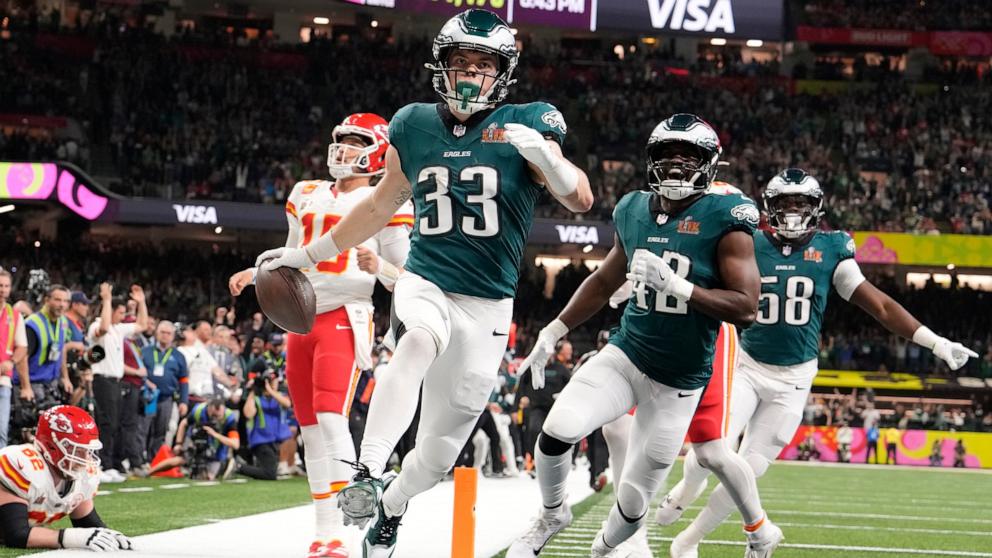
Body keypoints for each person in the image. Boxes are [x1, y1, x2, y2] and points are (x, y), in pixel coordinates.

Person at [256, 9, 593, 556]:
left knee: (435, 458)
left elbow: (580, 197)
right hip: (427, 277)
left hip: (488, 305)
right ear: (441, 63)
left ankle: (390, 506)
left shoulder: (529, 121)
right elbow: (379, 205)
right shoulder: (413, 123)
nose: (468, 74)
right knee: (415, 341)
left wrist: (548, 163)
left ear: (502, 73)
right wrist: (308, 252)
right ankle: (365, 470)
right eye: (460, 60)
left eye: (482, 64)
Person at [662, 168, 978, 558]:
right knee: (711, 448)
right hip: (747, 365)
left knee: (748, 470)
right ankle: (687, 490)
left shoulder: (832, 250)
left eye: (800, 204)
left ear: (817, 208)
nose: (793, 212)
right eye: (784, 204)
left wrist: (936, 342)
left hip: (793, 380)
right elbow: (695, 270)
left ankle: (689, 541)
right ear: (769, 208)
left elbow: (878, 304)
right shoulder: (749, 243)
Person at [508, 113, 770, 558]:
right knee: (556, 431)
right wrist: (553, 331)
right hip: (627, 355)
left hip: (680, 383)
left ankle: (603, 549)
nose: (676, 166)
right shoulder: (633, 208)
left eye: (689, 157)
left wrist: (680, 287)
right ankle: (553, 514)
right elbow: (604, 281)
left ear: (709, 164)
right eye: (667, 156)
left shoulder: (727, 215)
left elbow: (746, 307)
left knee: (633, 503)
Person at [231, 112, 413, 558]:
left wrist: (382, 268)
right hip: (302, 318)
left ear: (375, 151)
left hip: (345, 314)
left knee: (332, 417)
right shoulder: (304, 192)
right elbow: (292, 255)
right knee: (310, 428)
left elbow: (410, 276)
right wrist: (258, 272)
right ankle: (325, 531)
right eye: (342, 140)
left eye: (355, 142)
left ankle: (355, 520)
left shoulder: (387, 197)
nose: (344, 149)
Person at [0, 406, 132, 551]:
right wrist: (71, 537)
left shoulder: (80, 475)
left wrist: (107, 534)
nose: (85, 458)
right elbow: (16, 535)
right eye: (77, 450)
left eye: (87, 450)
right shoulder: (22, 464)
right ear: (51, 446)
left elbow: (87, 522)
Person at [87, 282, 148, 483]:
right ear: (110, 311)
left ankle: (109, 463)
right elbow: (103, 327)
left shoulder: (118, 330)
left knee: (113, 424)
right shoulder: (97, 326)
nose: (123, 316)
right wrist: (106, 300)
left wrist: (142, 302)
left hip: (115, 382)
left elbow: (142, 325)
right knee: (105, 423)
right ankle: (100, 464)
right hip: (102, 380)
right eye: (120, 312)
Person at [148, 398, 239, 481]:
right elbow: (184, 423)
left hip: (217, 448)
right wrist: (179, 443)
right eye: (213, 415)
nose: (215, 419)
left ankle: (228, 464)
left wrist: (215, 434)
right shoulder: (199, 410)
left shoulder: (229, 418)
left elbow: (235, 444)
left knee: (209, 477)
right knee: (181, 459)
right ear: (209, 408)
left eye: (218, 416)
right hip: (197, 440)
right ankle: (149, 472)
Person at [18, 285, 74, 408]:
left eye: (65, 301)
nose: (62, 305)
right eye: (57, 300)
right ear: (46, 300)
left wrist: (65, 377)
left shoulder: (63, 322)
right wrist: (26, 387)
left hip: (50, 383)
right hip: (32, 382)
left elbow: (62, 349)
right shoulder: (33, 324)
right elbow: (22, 358)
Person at [140, 321, 189, 459]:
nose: (165, 336)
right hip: (147, 397)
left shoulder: (179, 356)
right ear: (156, 333)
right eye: (162, 332)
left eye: (168, 333)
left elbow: (184, 380)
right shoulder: (145, 351)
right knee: (144, 428)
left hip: (166, 398)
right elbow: (139, 372)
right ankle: (140, 458)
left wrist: (183, 401)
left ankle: (155, 459)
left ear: (173, 336)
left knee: (161, 430)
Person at [238, 373, 293, 480]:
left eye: (274, 382)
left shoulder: (279, 396)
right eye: (269, 382)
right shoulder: (257, 398)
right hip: (261, 440)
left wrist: (271, 391)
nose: (272, 384)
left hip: (274, 441)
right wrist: (253, 390)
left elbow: (287, 404)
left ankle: (243, 467)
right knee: (270, 474)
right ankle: (239, 467)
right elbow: (248, 413)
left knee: (269, 469)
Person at [0, 269, 28, 448]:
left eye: (6, 286)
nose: (2, 289)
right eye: (0, 286)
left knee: (1, 430)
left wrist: (10, 362)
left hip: (3, 380)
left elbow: (22, 347)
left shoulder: (15, 316)